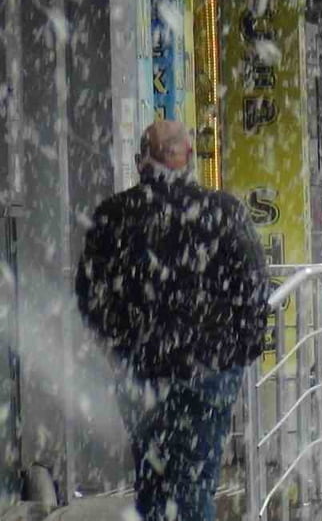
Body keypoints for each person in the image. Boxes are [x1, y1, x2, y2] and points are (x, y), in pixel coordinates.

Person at [75, 121, 269, 521]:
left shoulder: (115, 215)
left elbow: (90, 294)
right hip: (209, 369)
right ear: (189, 159)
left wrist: (120, 345)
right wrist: (237, 351)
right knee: (196, 480)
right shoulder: (223, 211)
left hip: (142, 370)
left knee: (152, 481)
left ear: (140, 161)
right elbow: (253, 286)